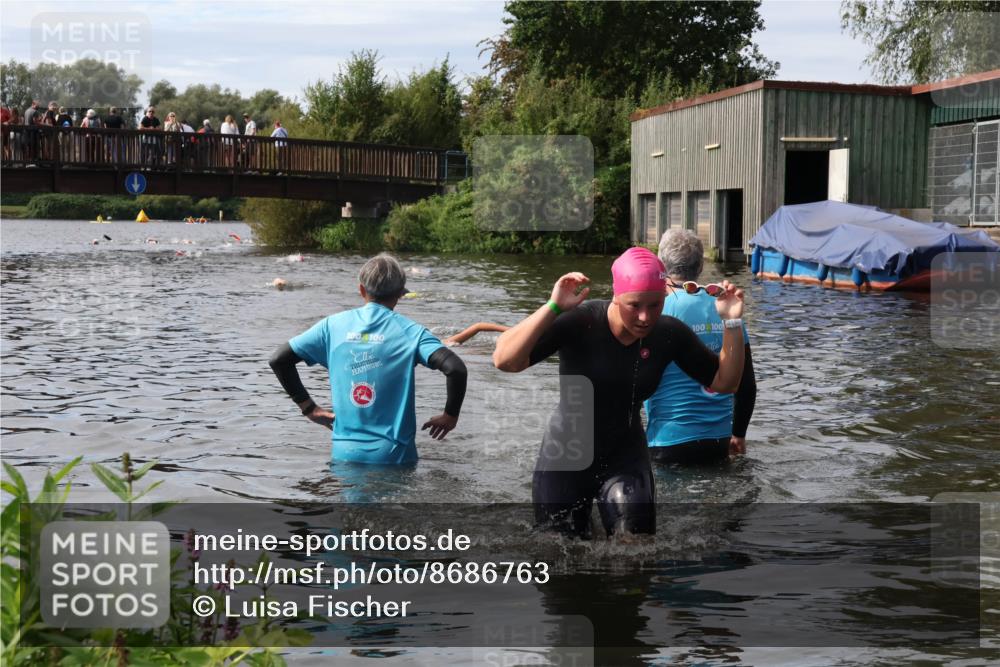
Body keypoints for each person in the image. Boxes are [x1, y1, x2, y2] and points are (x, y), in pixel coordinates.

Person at [492, 247, 745, 538]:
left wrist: (732, 322)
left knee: (636, 550)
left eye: (655, 305)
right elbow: (505, 361)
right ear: (616, 295)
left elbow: (726, 382)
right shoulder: (581, 322)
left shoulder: (668, 333)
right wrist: (553, 307)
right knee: (559, 552)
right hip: (567, 454)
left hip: (625, 454)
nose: (644, 317)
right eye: (634, 304)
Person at [269, 253, 468, 465]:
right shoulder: (412, 332)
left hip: (344, 454)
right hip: (394, 456)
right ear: (401, 293)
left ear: (361, 289)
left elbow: (279, 360)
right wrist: (450, 416)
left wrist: (309, 408)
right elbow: (456, 369)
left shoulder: (331, 326)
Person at [645, 229, 757, 465]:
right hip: (718, 443)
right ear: (700, 266)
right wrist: (738, 435)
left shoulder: (653, 311)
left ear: (661, 266)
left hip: (667, 442)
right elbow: (746, 385)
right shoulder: (727, 307)